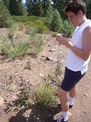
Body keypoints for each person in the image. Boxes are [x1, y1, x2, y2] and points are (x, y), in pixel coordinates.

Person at [56, 0, 91, 122]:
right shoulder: (80, 26)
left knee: (61, 94)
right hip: (72, 67)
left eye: (71, 17)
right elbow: (77, 45)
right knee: (72, 86)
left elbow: (85, 55)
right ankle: (70, 103)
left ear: (80, 13)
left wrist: (67, 43)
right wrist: (66, 42)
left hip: (75, 70)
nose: (70, 20)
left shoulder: (88, 28)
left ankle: (64, 117)